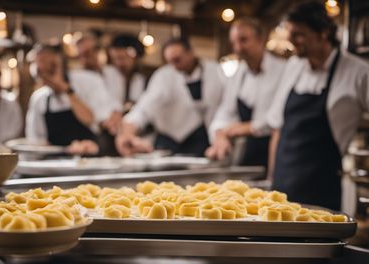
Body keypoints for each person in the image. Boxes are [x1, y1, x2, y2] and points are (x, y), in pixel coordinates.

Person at [268, 1, 369, 210]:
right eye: (290, 33)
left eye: (299, 34)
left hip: (322, 188)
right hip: (282, 184)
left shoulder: (358, 72)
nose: (291, 40)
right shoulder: (293, 66)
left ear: (323, 33)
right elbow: (278, 127)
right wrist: (271, 178)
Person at [116, 36, 225, 157]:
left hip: (202, 139)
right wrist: (128, 132)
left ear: (190, 52)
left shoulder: (214, 71)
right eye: (170, 62)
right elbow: (144, 109)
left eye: (177, 60)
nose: (174, 66)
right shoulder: (164, 76)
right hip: (169, 140)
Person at [206, 18, 286, 168]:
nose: (238, 48)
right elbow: (225, 111)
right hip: (247, 154)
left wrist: (250, 127)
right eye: (234, 42)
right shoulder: (238, 74)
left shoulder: (284, 70)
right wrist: (219, 134)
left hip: (275, 151)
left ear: (261, 39)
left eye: (243, 40)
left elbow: (282, 115)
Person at [25, 44, 118, 154]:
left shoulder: (88, 81)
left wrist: (66, 90)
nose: (44, 74)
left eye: (50, 67)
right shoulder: (39, 99)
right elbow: (35, 140)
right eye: (39, 69)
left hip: (91, 156)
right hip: (55, 162)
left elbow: (94, 121)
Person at [105, 34, 147, 113]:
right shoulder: (106, 75)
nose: (118, 63)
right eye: (115, 59)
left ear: (135, 57)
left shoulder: (142, 79)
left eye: (122, 58)